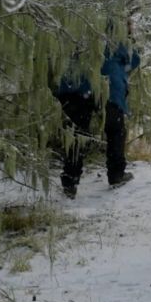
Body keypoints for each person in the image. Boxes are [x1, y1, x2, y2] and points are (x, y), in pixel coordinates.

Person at [101, 35, 141, 189]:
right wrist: (130, 39)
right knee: (116, 133)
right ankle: (116, 175)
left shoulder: (92, 36)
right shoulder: (121, 42)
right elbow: (135, 60)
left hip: (88, 90)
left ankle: (70, 180)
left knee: (77, 131)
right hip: (113, 93)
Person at [54, 57, 97, 199]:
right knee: (78, 139)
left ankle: (70, 178)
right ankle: (71, 178)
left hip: (65, 94)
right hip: (80, 95)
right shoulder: (89, 43)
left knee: (72, 137)